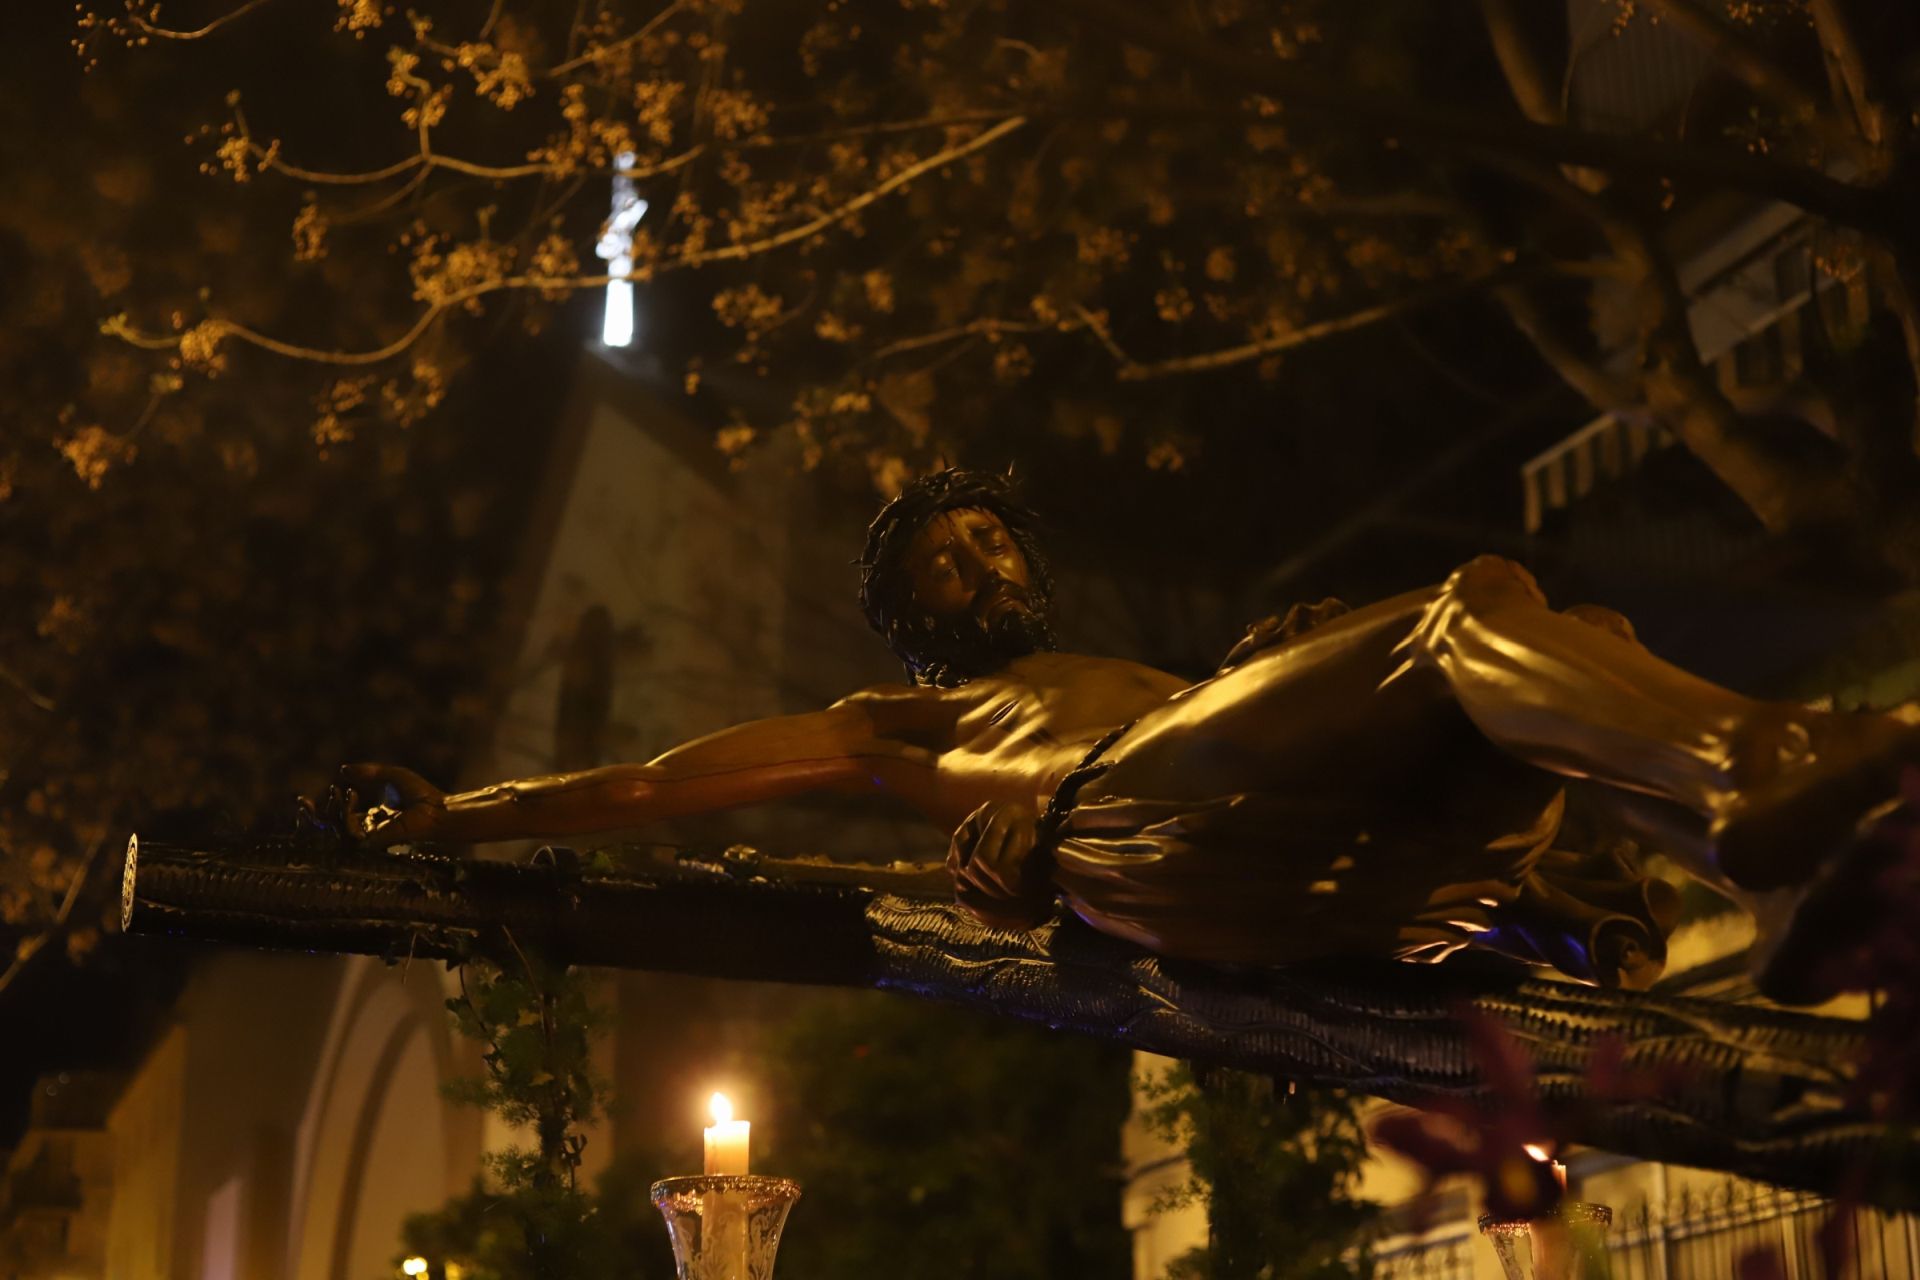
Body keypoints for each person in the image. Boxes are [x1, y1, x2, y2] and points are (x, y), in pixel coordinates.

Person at [342, 469, 1917, 1000]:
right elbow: (645, 782)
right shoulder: (897, 721)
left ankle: (1751, 874)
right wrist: (453, 820)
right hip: (1118, 834)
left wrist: (1273, 669)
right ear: (908, 617)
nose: (979, 564)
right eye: (942, 564)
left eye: (987, 540)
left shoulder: (1139, 676)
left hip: (1296, 857)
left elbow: (1243, 737)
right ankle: (1759, 770)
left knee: (1580, 638)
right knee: (1470, 608)